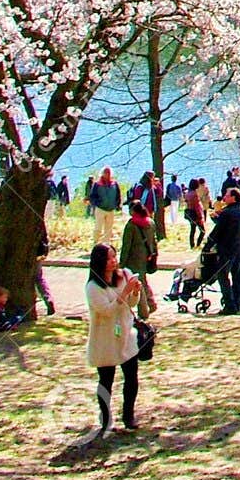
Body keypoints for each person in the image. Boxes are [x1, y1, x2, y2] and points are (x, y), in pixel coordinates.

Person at [85, 242, 143, 435]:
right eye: (109, 258)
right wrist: (125, 294)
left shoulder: (123, 276)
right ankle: (106, 418)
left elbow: (131, 304)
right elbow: (106, 311)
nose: (113, 261)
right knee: (106, 380)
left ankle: (129, 415)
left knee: (132, 377)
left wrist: (135, 291)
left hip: (126, 334)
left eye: (114, 256)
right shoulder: (93, 287)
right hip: (105, 338)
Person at [204, 190, 240, 313]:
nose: (224, 197)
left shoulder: (227, 213)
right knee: (237, 275)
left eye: (227, 195)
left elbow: (217, 232)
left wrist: (208, 246)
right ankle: (238, 300)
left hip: (227, 249)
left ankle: (229, 305)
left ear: (234, 198)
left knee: (223, 276)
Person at [119, 200, 159, 321]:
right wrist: (154, 254)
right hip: (147, 257)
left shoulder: (131, 225)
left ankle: (143, 312)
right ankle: (151, 303)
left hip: (133, 259)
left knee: (138, 284)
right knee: (143, 280)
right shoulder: (150, 222)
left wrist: (122, 263)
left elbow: (126, 246)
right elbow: (154, 240)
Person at [88, 168, 122, 245]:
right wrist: (97, 203)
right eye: (106, 172)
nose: (108, 174)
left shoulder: (114, 184)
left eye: (109, 173)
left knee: (108, 229)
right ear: (103, 173)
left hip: (111, 209)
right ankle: (95, 243)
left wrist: (118, 205)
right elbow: (92, 197)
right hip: (100, 209)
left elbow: (118, 195)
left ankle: (106, 245)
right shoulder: (97, 184)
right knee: (98, 227)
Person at [184, 178, 207, 248]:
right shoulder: (194, 194)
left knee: (192, 230)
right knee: (203, 231)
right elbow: (197, 206)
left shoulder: (187, 193)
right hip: (195, 214)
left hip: (189, 212)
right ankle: (198, 244)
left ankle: (192, 244)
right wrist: (200, 216)